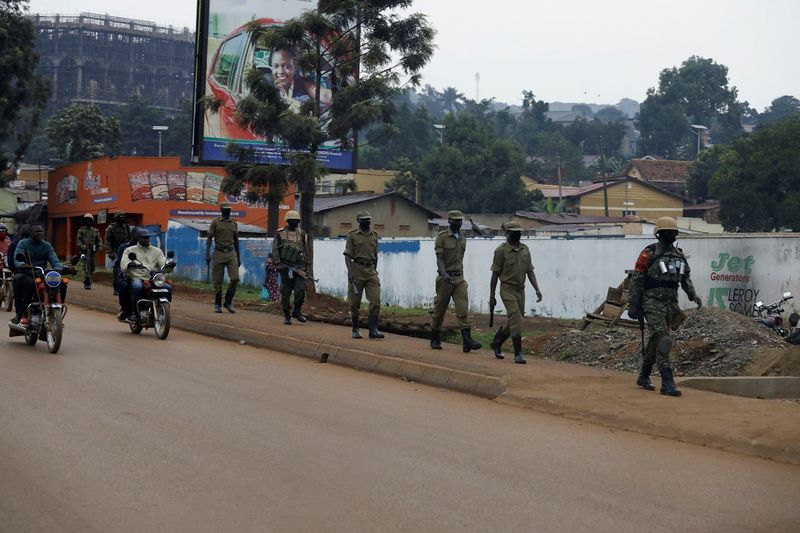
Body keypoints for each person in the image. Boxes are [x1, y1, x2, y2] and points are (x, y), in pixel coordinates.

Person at [628, 216, 702, 397]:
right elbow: (637, 278)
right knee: (663, 338)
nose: (671, 234)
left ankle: (643, 376)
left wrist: (693, 295)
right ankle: (667, 382)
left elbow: (685, 279)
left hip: (671, 304)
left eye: (673, 232)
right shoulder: (649, 252)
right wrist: (634, 303)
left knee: (656, 339)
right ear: (659, 234)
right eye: (667, 232)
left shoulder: (679, 255)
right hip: (652, 302)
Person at [489, 222, 542, 364]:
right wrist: (492, 295)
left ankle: (497, 342)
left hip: (521, 290)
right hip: (507, 289)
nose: (518, 235)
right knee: (516, 319)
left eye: (519, 232)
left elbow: (530, 270)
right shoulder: (501, 251)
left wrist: (537, 289)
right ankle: (518, 353)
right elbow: (495, 274)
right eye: (514, 232)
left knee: (516, 319)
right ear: (508, 234)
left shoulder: (525, 250)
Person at [430, 210, 482, 352]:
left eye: (460, 221)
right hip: (445, 278)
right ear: (449, 221)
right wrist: (444, 273)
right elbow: (439, 259)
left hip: (459, 278)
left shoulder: (462, 238)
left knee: (462, 309)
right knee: (440, 310)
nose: (458, 223)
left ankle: (467, 340)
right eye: (455, 220)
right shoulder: (442, 238)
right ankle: (435, 337)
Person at [11, 224, 74, 325]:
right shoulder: (23, 243)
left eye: (41, 231)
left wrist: (66, 268)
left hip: (42, 273)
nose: (39, 233)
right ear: (30, 233)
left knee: (61, 283)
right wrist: (22, 264)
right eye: (36, 231)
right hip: (27, 272)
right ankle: (22, 314)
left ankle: (57, 311)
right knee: (28, 283)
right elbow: (17, 257)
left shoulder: (46, 245)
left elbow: (55, 261)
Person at [344, 210, 383, 339]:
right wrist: (350, 272)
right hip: (357, 269)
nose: (367, 222)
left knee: (376, 301)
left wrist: (375, 270)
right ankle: (355, 329)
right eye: (364, 220)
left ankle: (373, 330)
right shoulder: (352, 235)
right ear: (359, 221)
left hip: (371, 270)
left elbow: (375, 255)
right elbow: (348, 255)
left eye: (368, 219)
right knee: (354, 303)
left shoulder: (374, 235)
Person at [120, 229, 166, 323]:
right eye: (144, 238)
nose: (147, 240)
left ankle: (163, 309)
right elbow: (123, 265)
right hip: (137, 277)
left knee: (167, 288)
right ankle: (135, 313)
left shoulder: (157, 251)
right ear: (138, 238)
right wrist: (129, 265)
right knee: (137, 287)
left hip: (153, 278)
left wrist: (169, 265)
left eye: (148, 238)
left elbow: (163, 264)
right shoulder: (130, 250)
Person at [270, 45, 332, 112]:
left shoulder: (302, 83)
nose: (280, 71)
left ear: (294, 68)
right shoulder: (267, 88)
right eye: (276, 66)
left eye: (287, 67)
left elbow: (324, 95)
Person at [272, 210, 308, 325]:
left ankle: (297, 311)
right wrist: (277, 263)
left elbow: (305, 250)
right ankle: (287, 314)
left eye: (297, 220)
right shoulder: (280, 233)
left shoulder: (301, 234)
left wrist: (307, 266)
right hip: (285, 267)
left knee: (301, 290)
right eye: (293, 220)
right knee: (286, 292)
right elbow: (275, 249)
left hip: (299, 267)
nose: (296, 222)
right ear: (287, 221)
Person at [206, 203, 240, 313]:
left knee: (235, 278)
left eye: (229, 210)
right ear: (221, 210)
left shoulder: (234, 223)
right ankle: (217, 304)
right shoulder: (215, 222)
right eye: (225, 210)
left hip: (231, 253)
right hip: (218, 253)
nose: (227, 211)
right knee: (217, 280)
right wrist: (207, 254)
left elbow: (236, 240)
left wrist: (238, 257)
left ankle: (228, 302)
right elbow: (209, 238)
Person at [113, 227, 140, 321]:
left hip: (143, 274)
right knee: (123, 285)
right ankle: (125, 309)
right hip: (127, 273)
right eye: (138, 235)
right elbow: (118, 263)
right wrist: (119, 274)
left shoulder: (147, 247)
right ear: (132, 236)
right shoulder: (124, 247)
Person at [76, 213, 103, 290]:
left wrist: (100, 247)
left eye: (90, 220)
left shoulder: (95, 230)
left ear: (92, 221)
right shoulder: (81, 230)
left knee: (92, 267)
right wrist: (82, 247)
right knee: (86, 266)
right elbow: (78, 241)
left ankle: (88, 277)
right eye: (86, 220)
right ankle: (87, 281)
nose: (88, 221)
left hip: (92, 251)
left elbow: (99, 240)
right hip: (84, 251)